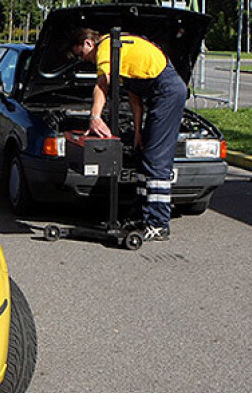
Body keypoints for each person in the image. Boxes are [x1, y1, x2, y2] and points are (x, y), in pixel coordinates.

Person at [67, 27, 187, 241]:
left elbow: (102, 84)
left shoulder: (106, 48)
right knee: (143, 154)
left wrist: (95, 117)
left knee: (156, 159)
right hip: (158, 93)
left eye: (80, 54)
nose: (82, 59)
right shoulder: (119, 50)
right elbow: (134, 97)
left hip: (167, 91)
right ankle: (141, 215)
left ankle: (158, 224)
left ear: (88, 43)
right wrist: (138, 131)